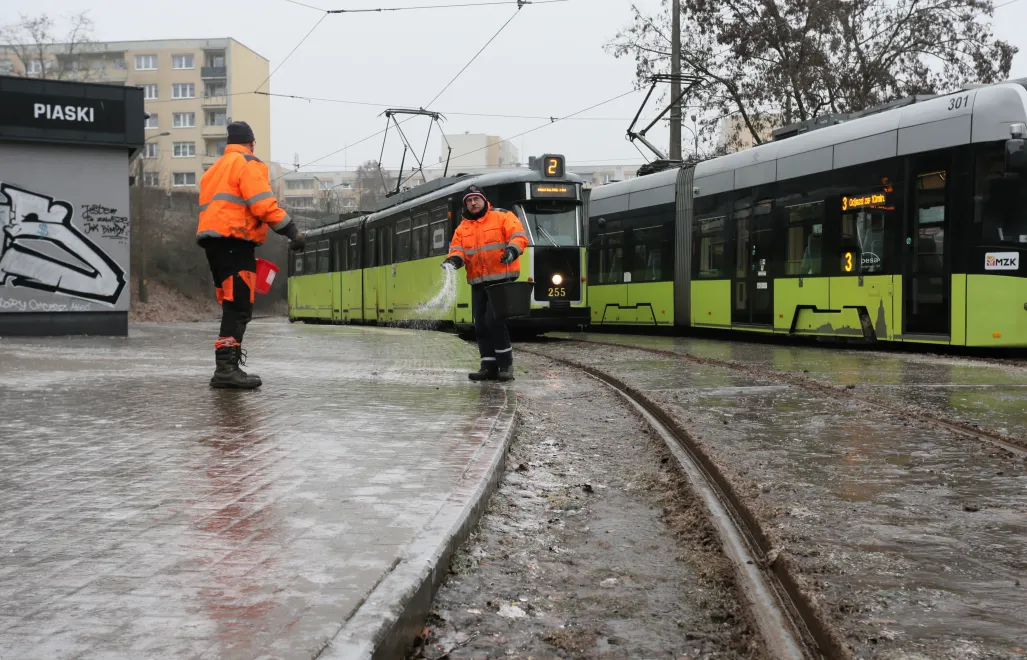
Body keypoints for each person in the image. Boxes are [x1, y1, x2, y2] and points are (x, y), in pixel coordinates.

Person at [196, 120, 305, 389]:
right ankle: (226, 370)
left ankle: (225, 367)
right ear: (251, 142)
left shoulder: (214, 170)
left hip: (214, 244)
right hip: (235, 241)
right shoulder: (248, 163)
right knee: (239, 307)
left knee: (231, 305)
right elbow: (262, 205)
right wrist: (292, 232)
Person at [442, 185, 529, 382]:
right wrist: (454, 260)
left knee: (494, 322)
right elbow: (457, 250)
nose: (473, 203)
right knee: (480, 325)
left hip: (501, 280)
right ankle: (488, 366)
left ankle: (505, 365)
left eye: (476, 199)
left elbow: (519, 236)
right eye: (469, 201)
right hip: (478, 282)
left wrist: (512, 251)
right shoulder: (462, 228)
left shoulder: (502, 216)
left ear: (484, 200)